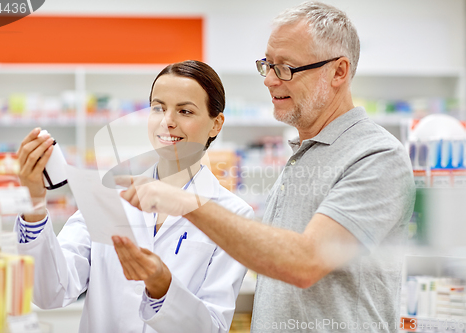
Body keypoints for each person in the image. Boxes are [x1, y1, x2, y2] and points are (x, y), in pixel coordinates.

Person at [119, 2, 416, 333]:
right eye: (268, 65)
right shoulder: (302, 156)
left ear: (339, 72)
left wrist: (189, 204)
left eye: (286, 67)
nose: (270, 81)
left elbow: (306, 262)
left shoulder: (376, 156)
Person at [14, 60, 254, 333]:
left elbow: (212, 327)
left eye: (185, 111)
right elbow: (50, 292)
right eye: (158, 108)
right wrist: (33, 203)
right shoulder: (107, 197)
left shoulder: (234, 214)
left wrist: (162, 286)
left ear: (216, 124)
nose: (168, 121)